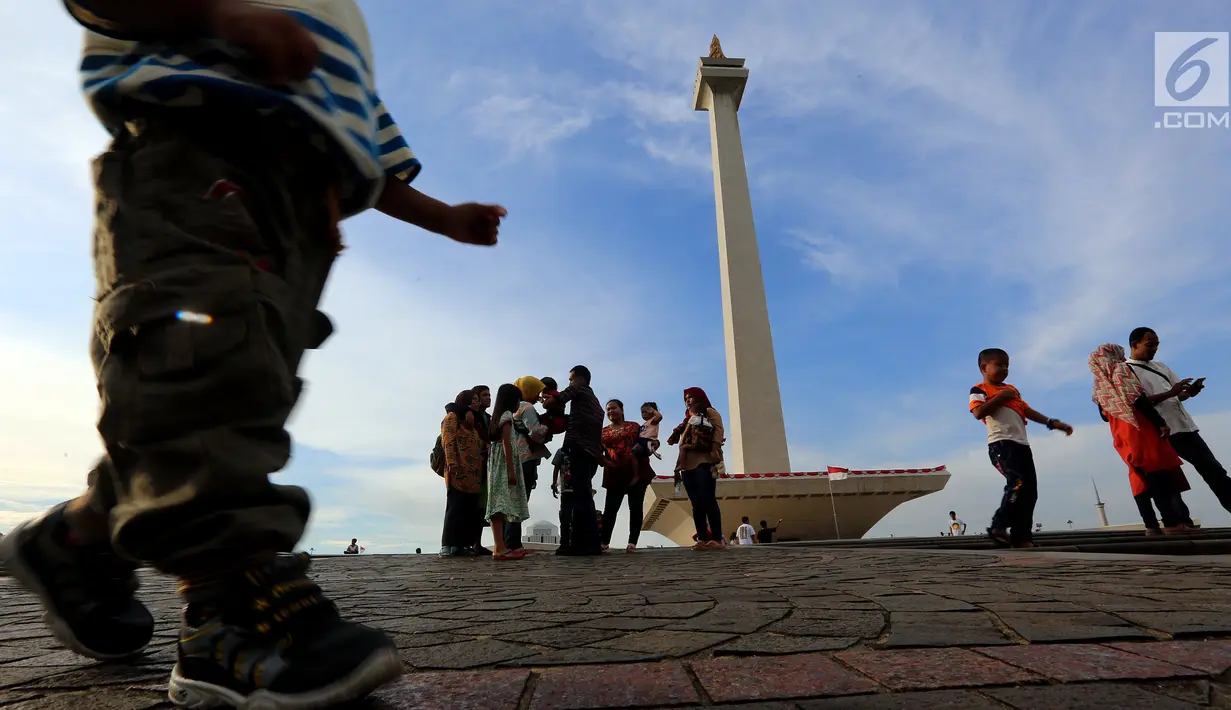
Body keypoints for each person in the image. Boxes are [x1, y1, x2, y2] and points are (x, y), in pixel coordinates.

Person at [0, 1, 506, 707]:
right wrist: (215, 16)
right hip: (199, 147)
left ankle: (78, 538)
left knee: (245, 391)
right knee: (193, 362)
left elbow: (366, 142)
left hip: (299, 216)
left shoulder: (339, 19)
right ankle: (225, 608)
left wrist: (442, 217)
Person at [969, 348, 1073, 549]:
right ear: (984, 367)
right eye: (999, 364)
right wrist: (1001, 397)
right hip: (1001, 444)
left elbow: (1027, 410)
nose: (1005, 369)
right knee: (1017, 482)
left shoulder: (1012, 390)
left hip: (1022, 446)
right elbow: (978, 412)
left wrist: (1052, 423)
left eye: (1007, 365)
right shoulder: (979, 389)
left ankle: (1022, 536)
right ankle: (998, 526)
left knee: (1030, 492)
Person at [1089, 343, 1193, 534]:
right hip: (1140, 429)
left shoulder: (1099, 383)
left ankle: (1151, 526)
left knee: (1138, 478)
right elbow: (1139, 399)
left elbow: (1104, 416)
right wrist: (1160, 422)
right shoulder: (1121, 370)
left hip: (1120, 433)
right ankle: (1171, 524)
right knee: (1157, 473)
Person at [1127, 327, 1231, 514]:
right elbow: (1135, 402)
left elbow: (1176, 396)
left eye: (1157, 344)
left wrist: (1189, 393)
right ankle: (1181, 520)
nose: (1155, 348)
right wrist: (1171, 393)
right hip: (1161, 431)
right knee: (1170, 478)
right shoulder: (1127, 371)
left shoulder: (1160, 367)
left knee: (1214, 470)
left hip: (1185, 427)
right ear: (1135, 345)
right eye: (1150, 345)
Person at [545, 367, 605, 555]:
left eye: (571, 379)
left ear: (579, 379)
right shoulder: (595, 403)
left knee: (580, 498)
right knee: (585, 497)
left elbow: (556, 400)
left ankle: (578, 544)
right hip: (591, 453)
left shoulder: (578, 389)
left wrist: (546, 399)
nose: (569, 382)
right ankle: (592, 543)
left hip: (577, 448)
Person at [667, 387, 727, 550]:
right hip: (687, 465)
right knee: (696, 503)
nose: (687, 400)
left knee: (708, 499)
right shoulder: (688, 418)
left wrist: (715, 449)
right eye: (685, 398)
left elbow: (718, 430)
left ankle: (716, 538)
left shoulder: (709, 412)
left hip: (704, 460)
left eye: (691, 397)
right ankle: (702, 537)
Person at [599, 400, 654, 552]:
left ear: (622, 409)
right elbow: (597, 450)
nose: (611, 412)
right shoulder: (602, 431)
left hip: (635, 473)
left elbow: (647, 441)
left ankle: (632, 542)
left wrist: (654, 445)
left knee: (635, 507)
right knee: (610, 509)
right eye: (608, 409)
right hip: (614, 472)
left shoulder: (634, 426)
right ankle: (604, 542)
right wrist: (605, 461)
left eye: (614, 408)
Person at [486, 384, 532, 560]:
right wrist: (511, 470)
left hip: (497, 464)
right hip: (504, 464)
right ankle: (500, 548)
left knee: (498, 503)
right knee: (499, 505)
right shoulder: (506, 416)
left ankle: (501, 546)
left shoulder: (498, 417)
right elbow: (507, 444)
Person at [505, 377, 550, 554]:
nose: (539, 395)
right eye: (536, 390)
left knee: (512, 502)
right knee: (520, 503)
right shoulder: (527, 408)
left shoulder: (512, 409)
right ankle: (513, 544)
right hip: (525, 459)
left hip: (513, 459)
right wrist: (547, 427)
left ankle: (507, 542)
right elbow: (536, 433)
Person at [440, 390, 485, 557]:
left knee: (468, 509)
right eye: (473, 399)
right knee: (455, 507)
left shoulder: (471, 422)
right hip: (458, 471)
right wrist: (452, 463)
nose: (477, 402)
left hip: (473, 474)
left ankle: (463, 544)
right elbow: (448, 441)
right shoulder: (452, 417)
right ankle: (448, 544)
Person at [470, 385, 494, 555]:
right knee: (473, 505)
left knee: (481, 505)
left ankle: (476, 543)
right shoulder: (473, 416)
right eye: (484, 395)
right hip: (474, 465)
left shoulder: (488, 417)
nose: (488, 398)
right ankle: (472, 543)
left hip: (486, 464)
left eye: (489, 395)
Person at [551, 448, 575, 554]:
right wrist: (554, 484)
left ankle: (567, 543)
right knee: (566, 517)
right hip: (567, 489)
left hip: (571, 488)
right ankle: (566, 543)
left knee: (567, 516)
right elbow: (556, 468)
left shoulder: (561, 451)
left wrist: (554, 484)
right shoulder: (561, 451)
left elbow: (556, 468)